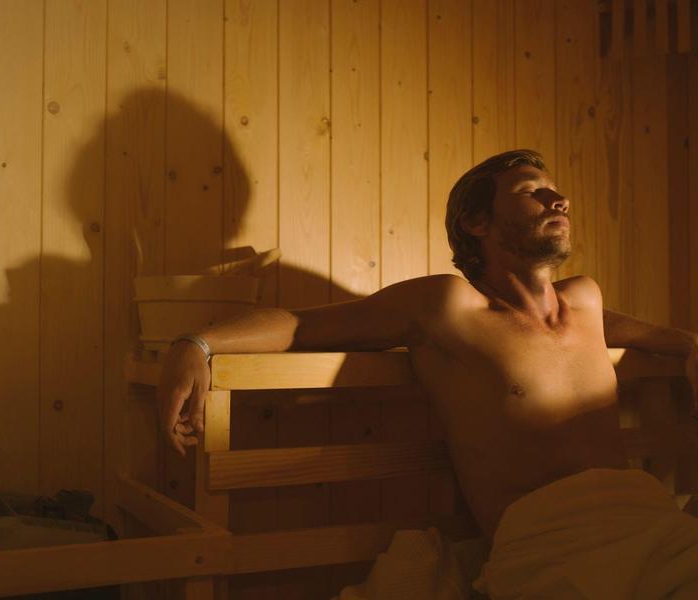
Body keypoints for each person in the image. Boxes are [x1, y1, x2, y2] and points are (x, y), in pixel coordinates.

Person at [158, 149, 698, 597]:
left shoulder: (585, 300)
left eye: (556, 192)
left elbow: (623, 328)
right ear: (476, 222)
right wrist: (196, 343)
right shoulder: (447, 307)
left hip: (651, 524)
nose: (558, 200)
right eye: (531, 191)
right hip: (553, 548)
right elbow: (302, 326)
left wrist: (688, 343)